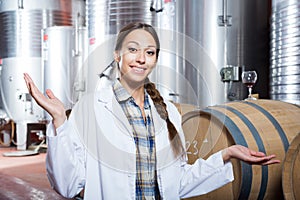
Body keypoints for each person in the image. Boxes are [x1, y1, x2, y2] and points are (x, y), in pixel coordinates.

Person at [24, 22, 280, 199]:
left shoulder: (166, 111)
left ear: (156, 59)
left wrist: (226, 154)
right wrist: (60, 120)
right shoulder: (90, 109)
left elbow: (177, 184)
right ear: (117, 56)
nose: (141, 58)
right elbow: (68, 185)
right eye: (132, 50)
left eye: (149, 52)